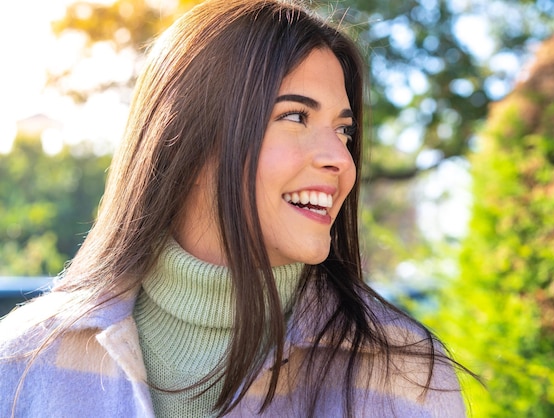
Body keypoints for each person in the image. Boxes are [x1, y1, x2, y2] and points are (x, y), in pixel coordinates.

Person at [0, 0, 471, 416]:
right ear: (189, 138)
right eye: (295, 116)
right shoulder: (21, 365)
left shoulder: (407, 378)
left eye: (343, 130)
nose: (341, 158)